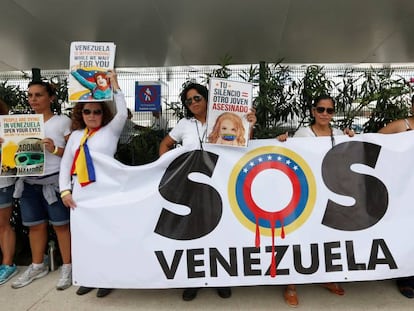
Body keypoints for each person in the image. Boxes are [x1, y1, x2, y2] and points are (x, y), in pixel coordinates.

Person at [159, 82, 257, 301]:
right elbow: (165, 144)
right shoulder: (184, 124)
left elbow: (243, 144)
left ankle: (220, 279)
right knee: (192, 235)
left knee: (220, 233)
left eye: (197, 98)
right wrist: (166, 168)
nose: (193, 103)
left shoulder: (224, 118)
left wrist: (250, 123)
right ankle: (193, 280)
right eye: (188, 100)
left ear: (206, 98)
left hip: (220, 185)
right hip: (191, 187)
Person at [277, 94, 354, 307]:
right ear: (313, 111)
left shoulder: (338, 134)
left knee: (327, 237)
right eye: (321, 110)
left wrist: (351, 137)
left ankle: (325, 277)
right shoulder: (302, 134)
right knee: (299, 237)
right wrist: (283, 142)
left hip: (330, 194)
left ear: (333, 113)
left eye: (329, 111)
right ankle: (291, 285)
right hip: (305, 193)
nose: (325, 114)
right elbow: (289, 155)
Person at [59, 70, 127, 298]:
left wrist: (114, 84)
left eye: (96, 111)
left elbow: (123, 113)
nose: (92, 115)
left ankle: (107, 278)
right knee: (84, 237)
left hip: (105, 191)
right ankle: (89, 277)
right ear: (81, 113)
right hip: (81, 193)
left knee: (106, 235)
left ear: (102, 114)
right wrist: (65, 191)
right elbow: (65, 164)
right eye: (87, 111)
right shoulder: (76, 136)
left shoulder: (111, 131)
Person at [11, 80, 72, 290]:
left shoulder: (62, 121)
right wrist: (7, 145)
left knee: (61, 226)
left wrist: (55, 149)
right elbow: (12, 156)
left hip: (54, 181)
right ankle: (37, 265)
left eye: (38, 95)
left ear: (51, 98)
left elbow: (74, 153)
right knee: (35, 226)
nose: (33, 99)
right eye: (30, 95)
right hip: (28, 181)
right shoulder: (21, 122)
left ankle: (68, 266)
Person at [378, 94, 414, 298]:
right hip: (406, 187)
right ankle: (407, 277)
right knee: (408, 231)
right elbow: (374, 141)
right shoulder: (401, 125)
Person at [0, 99, 18, 285]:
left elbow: (15, 158)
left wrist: (6, 145)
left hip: (2, 181)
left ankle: (7, 264)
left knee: (2, 225)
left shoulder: (7, 126)